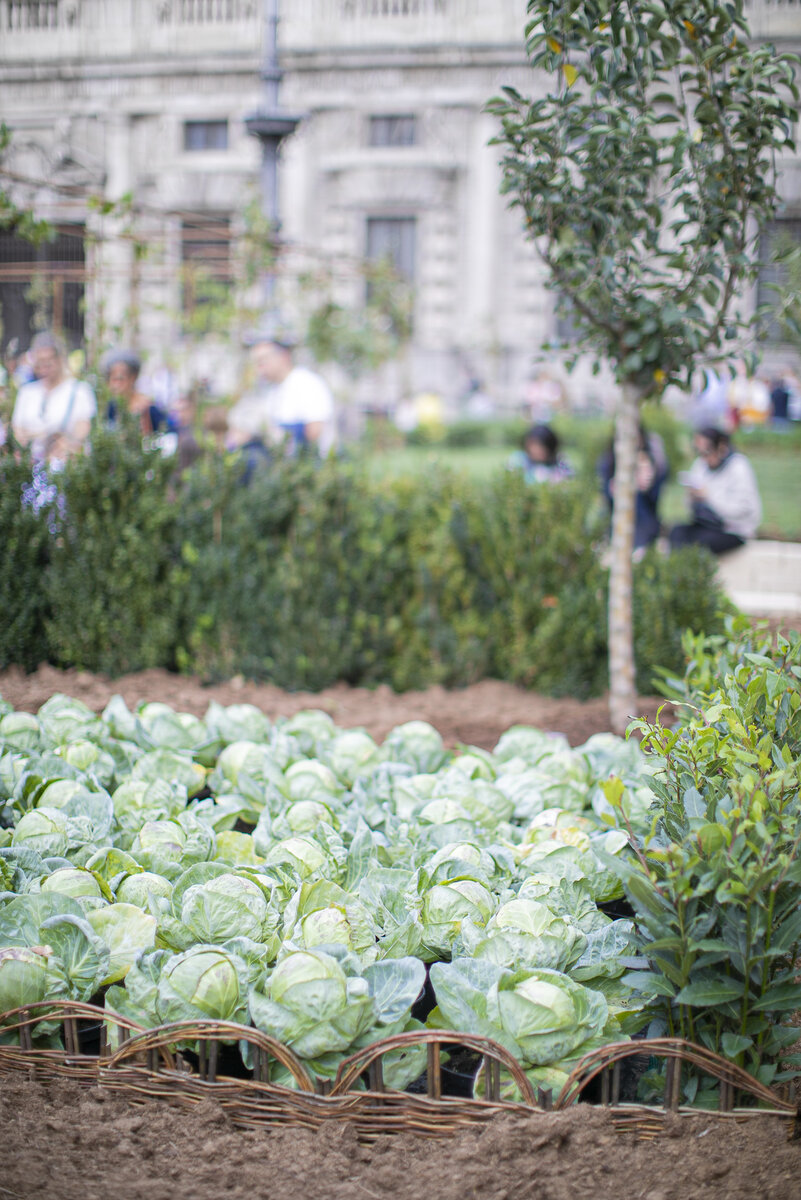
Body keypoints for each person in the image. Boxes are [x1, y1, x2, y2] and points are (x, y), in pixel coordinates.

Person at [237, 333, 335, 457]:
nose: (259, 369)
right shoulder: (271, 390)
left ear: (283, 356)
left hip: (308, 466)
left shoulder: (307, 383)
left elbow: (315, 431)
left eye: (262, 362)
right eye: (256, 363)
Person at [669, 427, 761, 554]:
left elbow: (742, 510)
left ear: (721, 447)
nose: (703, 458)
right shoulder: (700, 464)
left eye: (706, 452)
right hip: (706, 524)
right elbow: (689, 507)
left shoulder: (738, 466)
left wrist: (708, 497)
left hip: (732, 529)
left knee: (701, 543)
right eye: (699, 452)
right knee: (676, 532)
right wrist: (691, 497)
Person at [11, 332, 96, 466]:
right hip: (31, 466)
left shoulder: (79, 390)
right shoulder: (27, 392)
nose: (44, 369)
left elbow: (82, 433)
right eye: (39, 363)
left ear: (60, 359)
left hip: (63, 466)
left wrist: (65, 444)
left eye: (48, 363)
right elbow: (18, 432)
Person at [597, 425, 668, 551]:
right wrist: (611, 489)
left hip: (644, 521)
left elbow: (655, 499)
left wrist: (646, 485)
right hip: (618, 519)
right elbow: (606, 497)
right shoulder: (609, 462)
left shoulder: (649, 460)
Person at [104, 350, 169, 435]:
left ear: (133, 378)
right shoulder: (111, 408)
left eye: (121, 379)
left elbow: (166, 434)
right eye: (113, 380)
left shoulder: (149, 409)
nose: (116, 385)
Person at [507, 423, 573, 483]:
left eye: (541, 448)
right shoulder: (519, 459)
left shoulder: (559, 461)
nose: (536, 451)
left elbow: (569, 480)